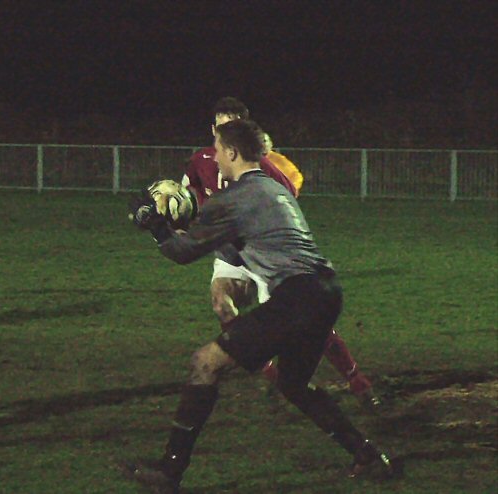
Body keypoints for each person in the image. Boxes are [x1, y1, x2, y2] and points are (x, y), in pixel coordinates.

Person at [127, 119, 396, 493]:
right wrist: (188, 220)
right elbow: (231, 237)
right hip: (326, 291)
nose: (215, 156)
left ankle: (169, 472)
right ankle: (366, 454)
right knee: (293, 384)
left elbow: (184, 253)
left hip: (298, 296)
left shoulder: (233, 198)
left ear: (233, 153)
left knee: (205, 363)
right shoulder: (271, 187)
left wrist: (156, 226)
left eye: (219, 148)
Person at [182, 97, 378, 407]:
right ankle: (268, 372)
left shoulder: (264, 167)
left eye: (233, 125)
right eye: (222, 126)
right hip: (229, 249)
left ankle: (353, 375)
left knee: (305, 318)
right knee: (221, 302)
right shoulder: (200, 160)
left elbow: (286, 197)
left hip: (263, 251)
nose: (225, 132)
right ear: (213, 129)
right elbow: (190, 196)